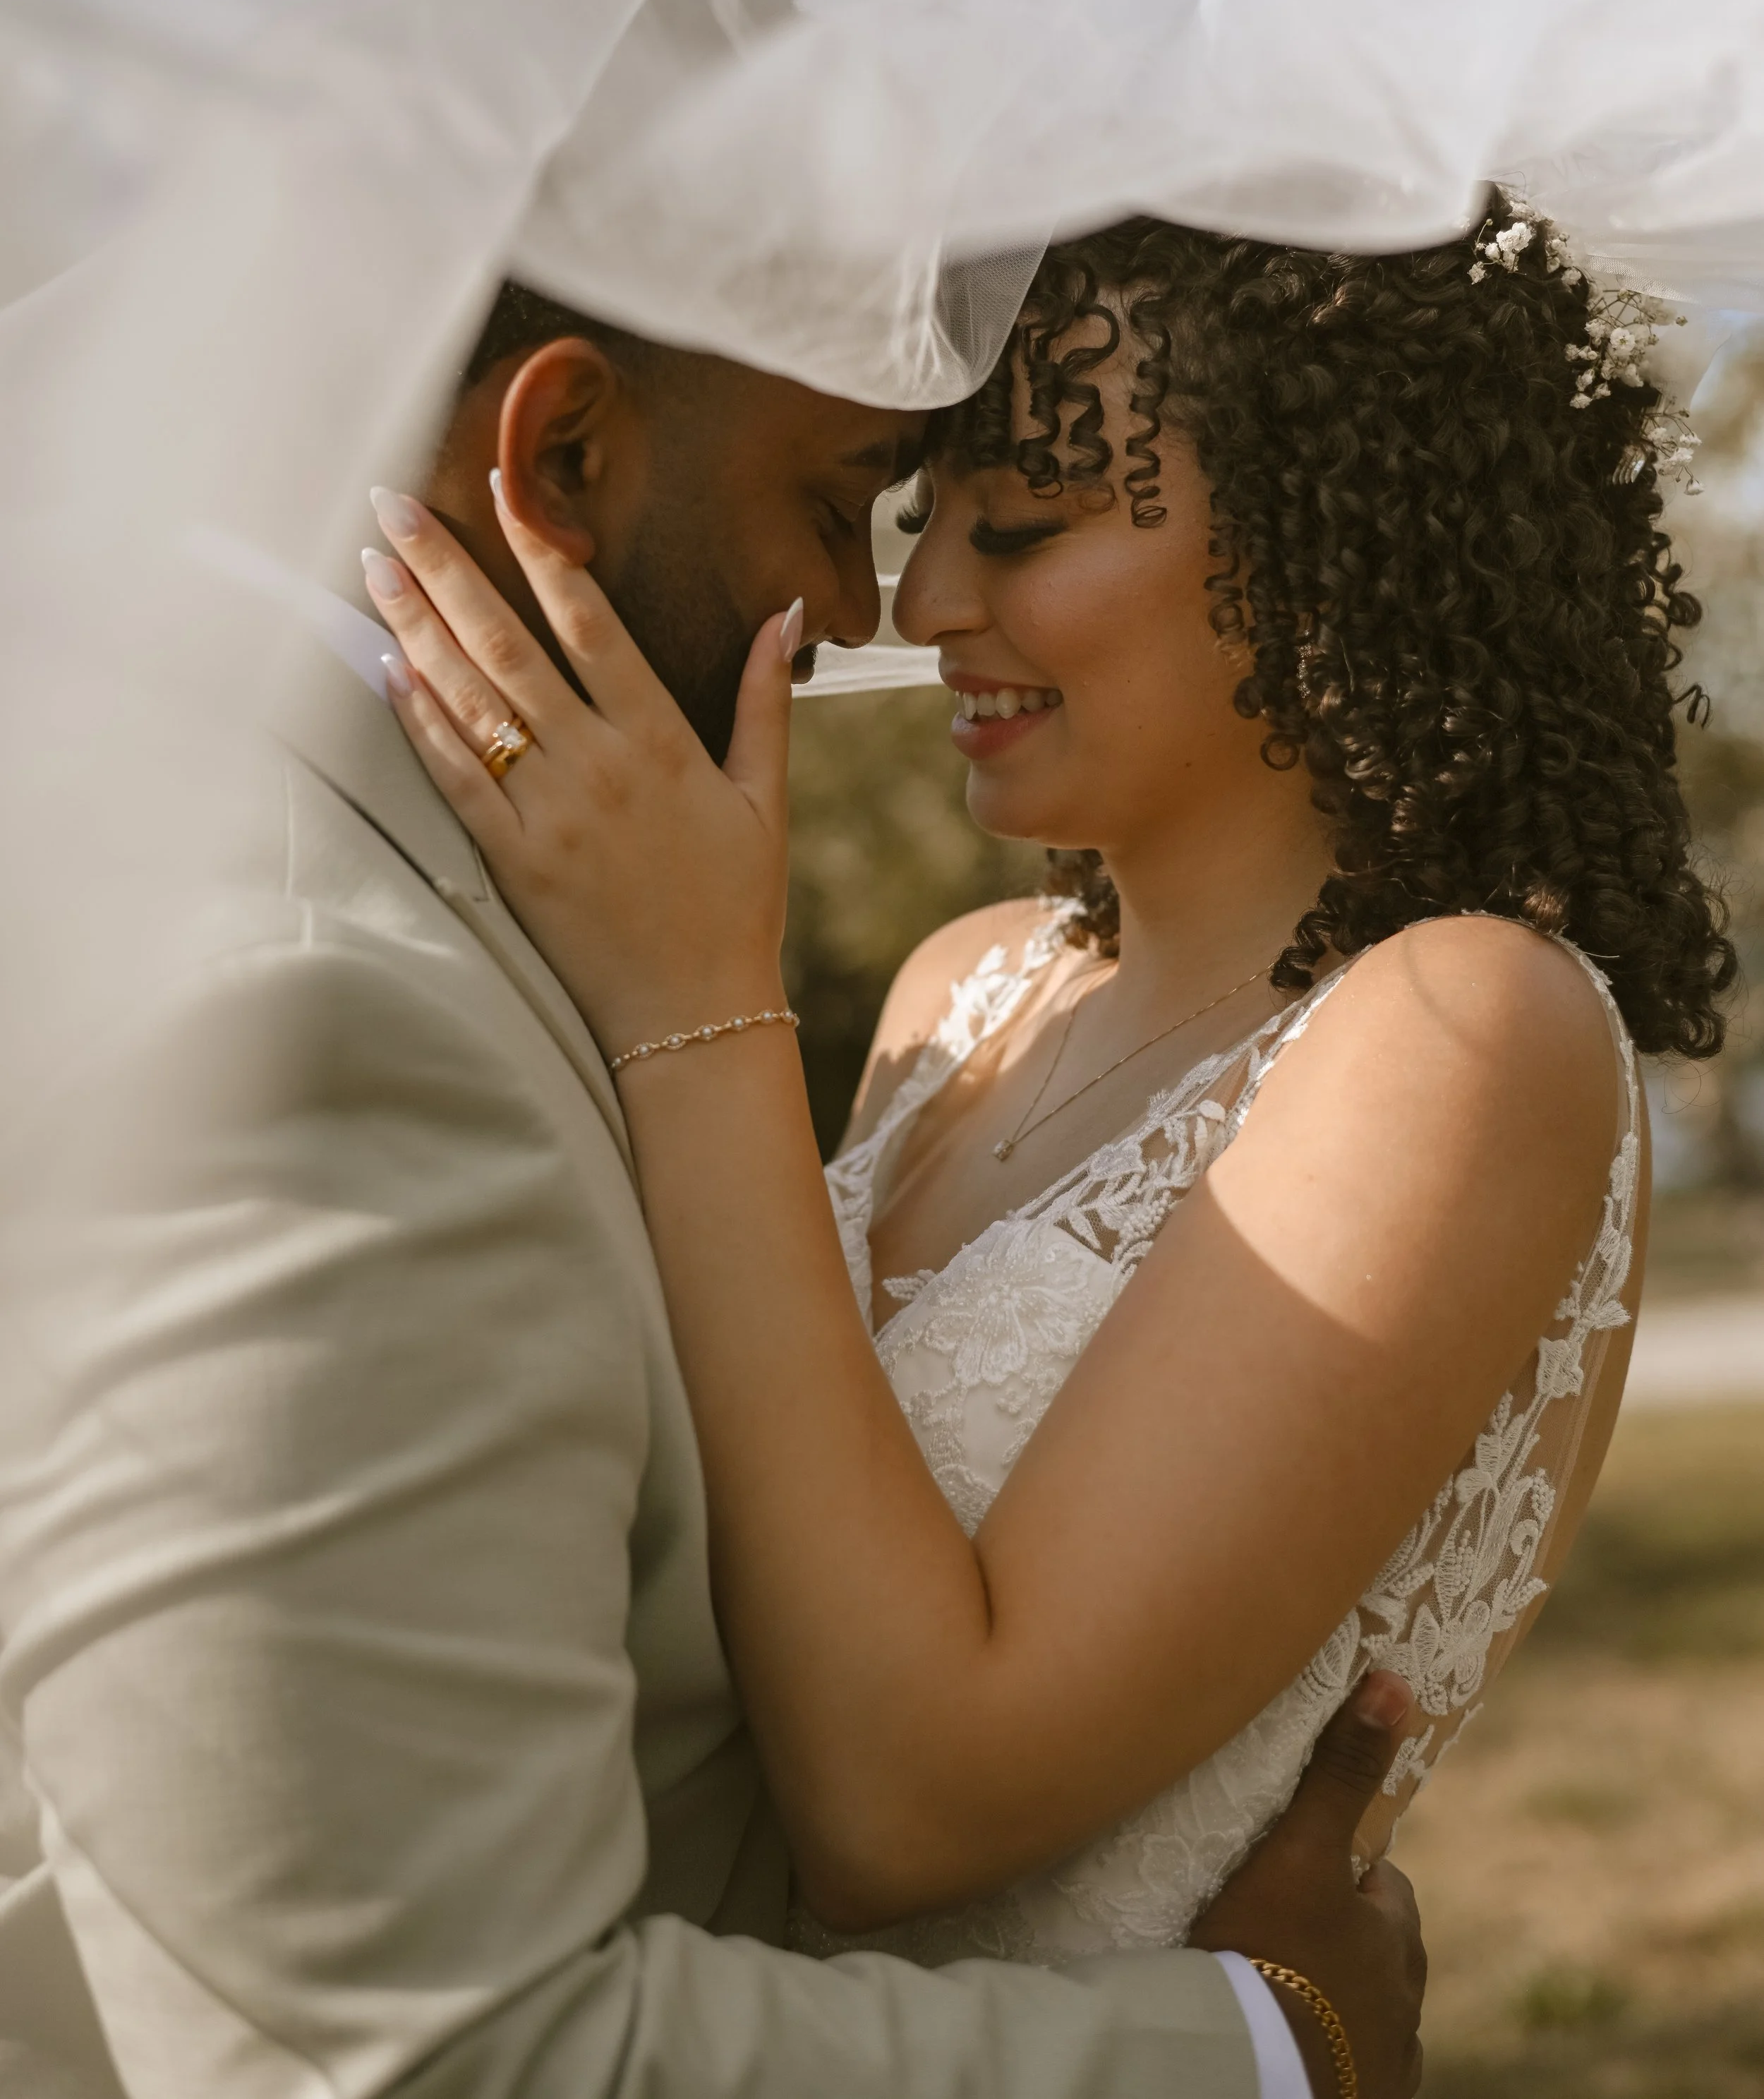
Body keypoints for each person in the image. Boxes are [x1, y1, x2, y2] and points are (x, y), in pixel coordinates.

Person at [0, 275, 1426, 2099]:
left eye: (1006, 520)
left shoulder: (204, 832)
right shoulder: (317, 1008)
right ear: (562, 451)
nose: (864, 615)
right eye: (844, 504)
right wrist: (1261, 2045)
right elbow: (434, 2057)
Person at [368, 200, 1732, 2025]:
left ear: (1322, 534)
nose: (921, 602)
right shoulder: (960, 992)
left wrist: (698, 998)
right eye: (923, 509)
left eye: (1018, 523)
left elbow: (904, 1796)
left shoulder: (1464, 1027)